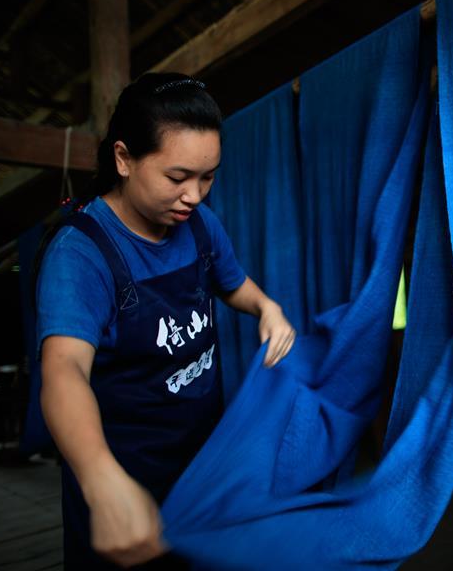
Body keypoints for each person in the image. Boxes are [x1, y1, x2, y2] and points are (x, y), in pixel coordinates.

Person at [36, 72, 296, 569]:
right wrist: (101, 479)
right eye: (177, 178)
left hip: (202, 469)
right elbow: (63, 370)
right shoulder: (81, 255)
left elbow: (233, 283)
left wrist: (268, 308)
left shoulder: (198, 224)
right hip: (124, 480)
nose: (195, 195)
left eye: (208, 176)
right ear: (124, 159)